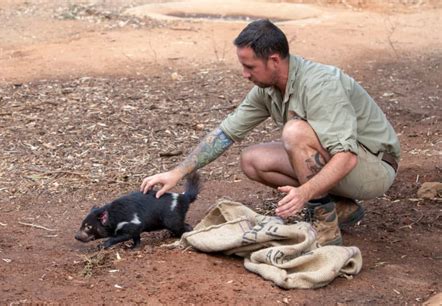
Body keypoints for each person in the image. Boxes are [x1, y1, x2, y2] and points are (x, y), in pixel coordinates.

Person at [141, 19, 400, 246]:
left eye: (250, 66)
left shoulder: (321, 84)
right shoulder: (267, 89)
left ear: (274, 60)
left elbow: (347, 157)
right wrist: (177, 172)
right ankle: (341, 207)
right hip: (344, 163)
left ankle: (325, 227)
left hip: (374, 168)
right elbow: (225, 134)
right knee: (253, 160)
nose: (245, 74)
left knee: (295, 132)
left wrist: (306, 193)